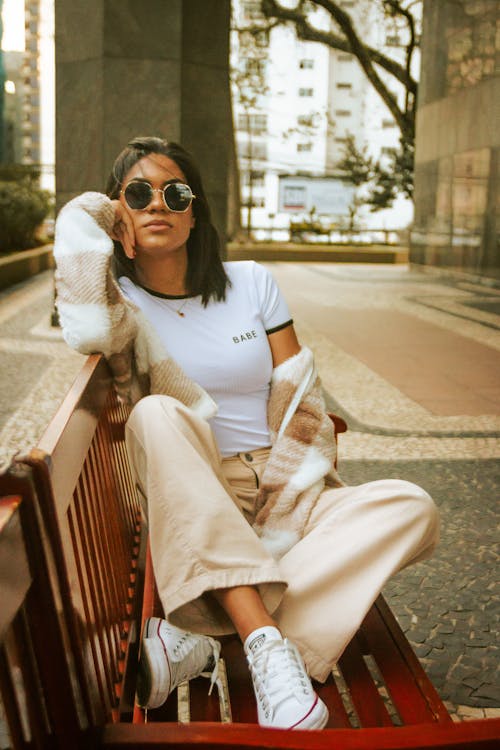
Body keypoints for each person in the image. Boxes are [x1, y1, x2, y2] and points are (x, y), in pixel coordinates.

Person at [54, 136, 440, 731]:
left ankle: (211, 641)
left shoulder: (251, 282)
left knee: (410, 507)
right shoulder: (120, 301)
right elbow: (82, 325)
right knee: (157, 414)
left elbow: (299, 396)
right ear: (120, 210)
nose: (158, 205)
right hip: (199, 484)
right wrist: (92, 213)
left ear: (195, 209)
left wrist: (294, 485)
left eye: (174, 193)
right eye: (138, 194)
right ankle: (263, 642)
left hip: (286, 477)